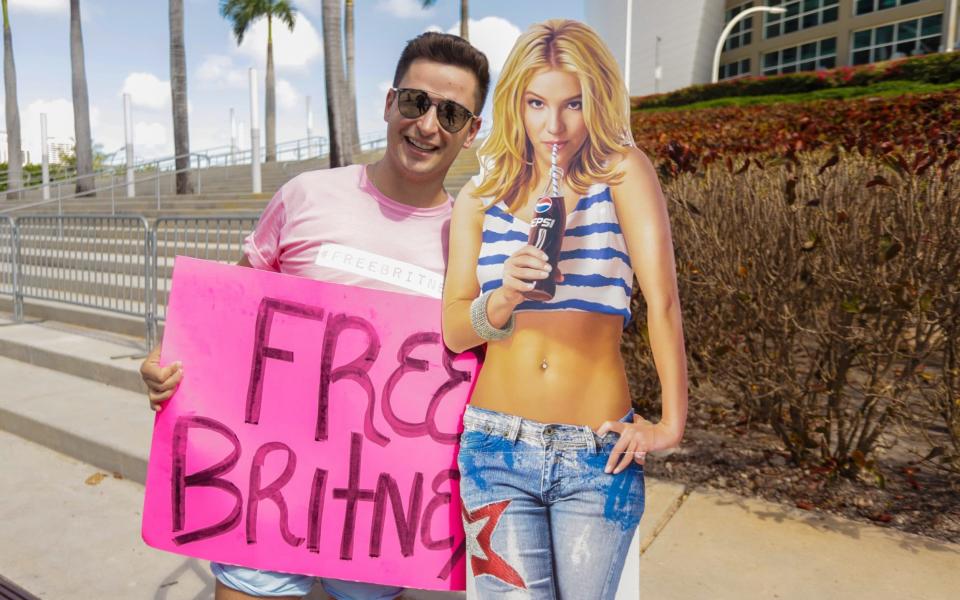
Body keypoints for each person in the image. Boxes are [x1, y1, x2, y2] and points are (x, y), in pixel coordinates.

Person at [139, 31, 490, 600]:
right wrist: (168, 370)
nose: (428, 125)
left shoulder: (470, 245)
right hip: (266, 492)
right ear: (388, 103)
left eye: (451, 113)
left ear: (471, 132)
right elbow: (224, 318)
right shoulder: (305, 195)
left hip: (382, 515)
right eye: (415, 102)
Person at [441, 19, 688, 598]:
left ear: (596, 100)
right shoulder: (480, 197)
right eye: (536, 103)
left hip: (597, 456)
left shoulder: (622, 172)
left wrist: (671, 424)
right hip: (493, 448)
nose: (554, 125)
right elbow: (455, 330)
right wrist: (500, 297)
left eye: (572, 103)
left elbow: (665, 301)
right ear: (514, 104)